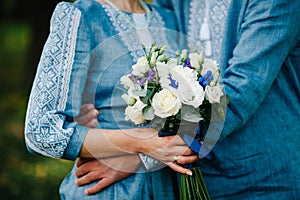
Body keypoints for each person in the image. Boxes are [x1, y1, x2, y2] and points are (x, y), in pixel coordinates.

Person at [75, 0, 300, 199]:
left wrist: (140, 159)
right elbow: (156, 77)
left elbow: (242, 90)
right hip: (193, 180)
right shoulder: (171, 4)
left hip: (265, 176)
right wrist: (91, 107)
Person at [24, 0, 199, 199]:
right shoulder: (80, 15)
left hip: (171, 188)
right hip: (109, 191)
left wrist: (142, 158)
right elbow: (41, 131)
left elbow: (198, 112)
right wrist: (142, 142)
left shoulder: (168, 18)